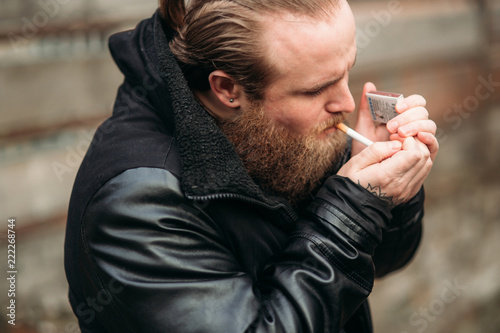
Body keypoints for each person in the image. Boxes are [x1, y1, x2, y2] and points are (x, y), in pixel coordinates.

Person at [64, 0, 439, 332]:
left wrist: (388, 191)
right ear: (228, 89)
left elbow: (380, 264)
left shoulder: (283, 129)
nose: (344, 101)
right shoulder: (134, 204)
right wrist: (353, 210)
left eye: (347, 70)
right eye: (315, 89)